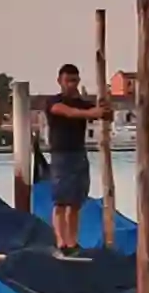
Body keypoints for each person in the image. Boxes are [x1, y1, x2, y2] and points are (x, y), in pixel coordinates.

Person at [43, 64, 104, 253]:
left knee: (76, 202)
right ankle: (61, 242)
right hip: (61, 155)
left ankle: (72, 242)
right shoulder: (54, 101)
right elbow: (69, 112)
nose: (71, 84)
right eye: (68, 80)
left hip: (79, 153)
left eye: (75, 80)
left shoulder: (82, 103)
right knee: (61, 201)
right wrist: (91, 113)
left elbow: (100, 112)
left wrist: (103, 108)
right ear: (60, 81)